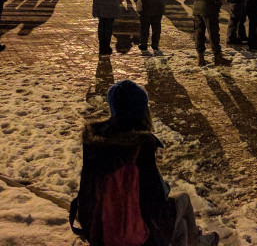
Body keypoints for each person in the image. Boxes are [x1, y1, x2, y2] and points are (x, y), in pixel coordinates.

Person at [75, 80, 220, 246]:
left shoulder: (94, 140)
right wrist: (165, 188)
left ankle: (194, 239)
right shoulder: (140, 144)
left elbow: (86, 190)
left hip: (98, 228)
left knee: (180, 226)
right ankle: (198, 241)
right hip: (136, 233)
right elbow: (155, 200)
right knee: (183, 201)